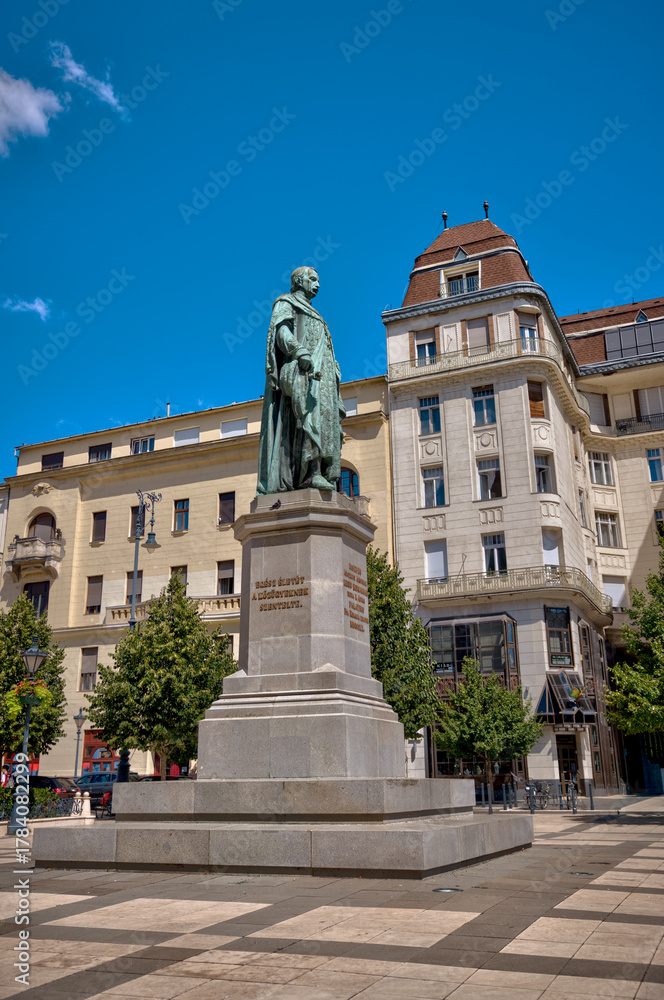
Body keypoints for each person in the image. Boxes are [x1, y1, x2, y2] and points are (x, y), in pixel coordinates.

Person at [257, 267, 345, 494]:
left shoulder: (317, 315)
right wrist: (298, 351)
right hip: (301, 372)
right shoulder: (285, 302)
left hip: (322, 377)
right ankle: (310, 474)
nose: (317, 284)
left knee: (325, 421)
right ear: (298, 280)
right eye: (313, 279)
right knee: (309, 417)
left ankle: (321, 473)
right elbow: (281, 332)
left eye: (318, 280)